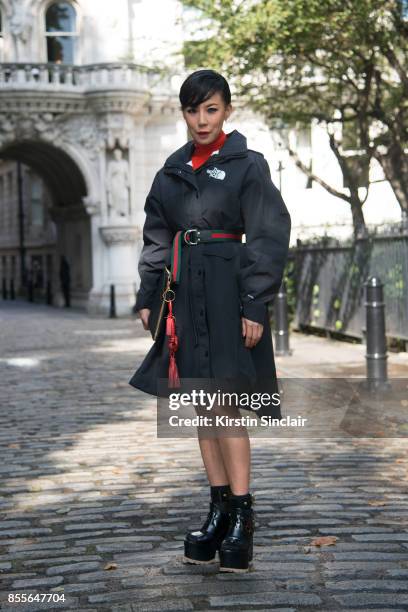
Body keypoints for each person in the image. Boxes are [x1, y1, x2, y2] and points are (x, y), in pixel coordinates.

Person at [129, 69, 291, 572]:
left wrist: (254, 304)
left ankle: (243, 514)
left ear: (227, 110)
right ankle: (218, 508)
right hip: (184, 294)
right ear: (183, 113)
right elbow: (156, 237)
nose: (202, 119)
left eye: (211, 109)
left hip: (228, 293)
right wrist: (148, 296)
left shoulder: (248, 165)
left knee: (225, 403)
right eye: (193, 110)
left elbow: (268, 235)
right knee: (202, 403)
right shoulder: (170, 171)